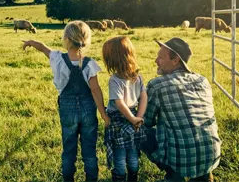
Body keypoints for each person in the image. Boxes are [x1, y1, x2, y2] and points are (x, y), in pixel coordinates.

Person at [22, 20, 110, 182]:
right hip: (88, 110)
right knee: (89, 151)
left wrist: (31, 42)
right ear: (86, 40)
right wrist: (104, 115)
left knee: (68, 149)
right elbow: (96, 90)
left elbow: (43, 47)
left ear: (66, 39)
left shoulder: (57, 58)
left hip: (67, 110)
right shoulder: (90, 64)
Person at [141, 37, 221, 182]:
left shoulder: (157, 85)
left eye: (160, 57)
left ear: (175, 60)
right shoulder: (202, 80)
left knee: (138, 129)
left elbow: (145, 120)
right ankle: (204, 175)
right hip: (212, 155)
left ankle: (173, 174)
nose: (155, 61)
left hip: (181, 159)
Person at [102, 36, 148, 182]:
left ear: (112, 60)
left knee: (120, 154)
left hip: (118, 119)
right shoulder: (138, 77)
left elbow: (119, 103)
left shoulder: (114, 80)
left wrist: (133, 118)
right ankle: (133, 177)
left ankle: (120, 178)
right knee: (133, 151)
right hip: (134, 116)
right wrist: (137, 117)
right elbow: (144, 97)